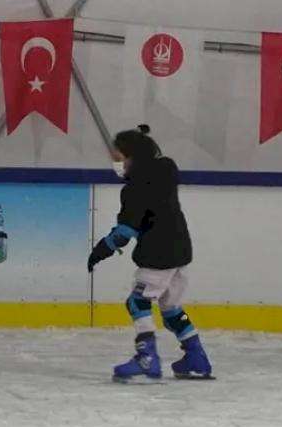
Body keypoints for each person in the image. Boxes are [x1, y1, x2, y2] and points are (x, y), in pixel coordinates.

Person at [88, 124, 214, 383]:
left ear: (131, 156)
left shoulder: (134, 187)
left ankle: (147, 358)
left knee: (137, 302)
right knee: (171, 307)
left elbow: (126, 229)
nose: (116, 164)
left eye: (118, 158)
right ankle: (196, 357)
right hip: (180, 249)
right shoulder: (166, 169)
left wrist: (102, 249)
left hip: (158, 252)